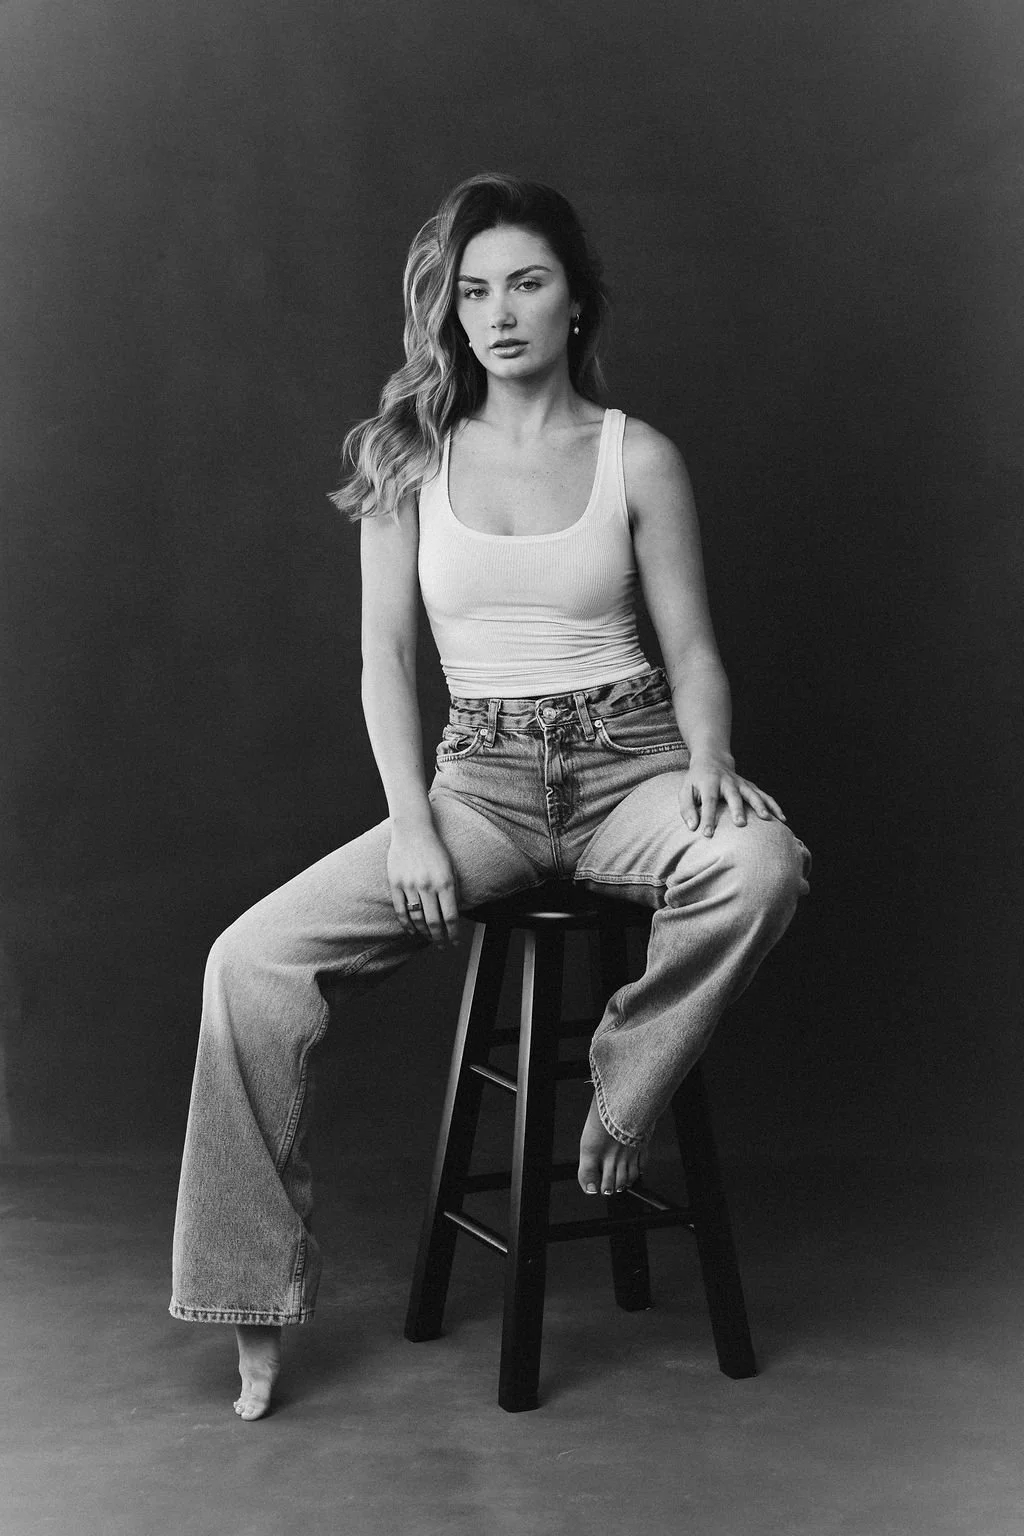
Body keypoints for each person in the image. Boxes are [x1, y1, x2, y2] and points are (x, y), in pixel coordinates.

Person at [169, 172, 810, 1421]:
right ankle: (247, 1298)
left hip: (633, 764)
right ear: (449, 316)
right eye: (474, 292)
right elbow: (385, 662)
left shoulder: (640, 456)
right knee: (245, 964)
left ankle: (626, 1092)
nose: (499, 313)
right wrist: (409, 819)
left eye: (527, 283)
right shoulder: (409, 460)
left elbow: (691, 653)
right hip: (483, 784)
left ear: (575, 302)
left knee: (763, 863)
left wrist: (711, 760)